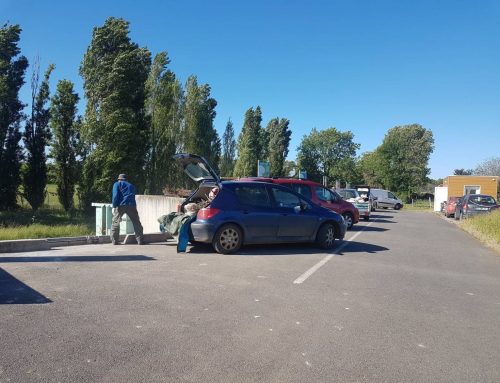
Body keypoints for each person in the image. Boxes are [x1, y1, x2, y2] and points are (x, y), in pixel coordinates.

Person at [111, 174, 144, 245]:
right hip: (132, 205)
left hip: (121, 205)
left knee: (115, 222)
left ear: (119, 179)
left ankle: (114, 241)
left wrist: (114, 206)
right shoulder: (131, 186)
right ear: (126, 179)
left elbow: (115, 195)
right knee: (136, 222)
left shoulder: (117, 184)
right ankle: (140, 240)